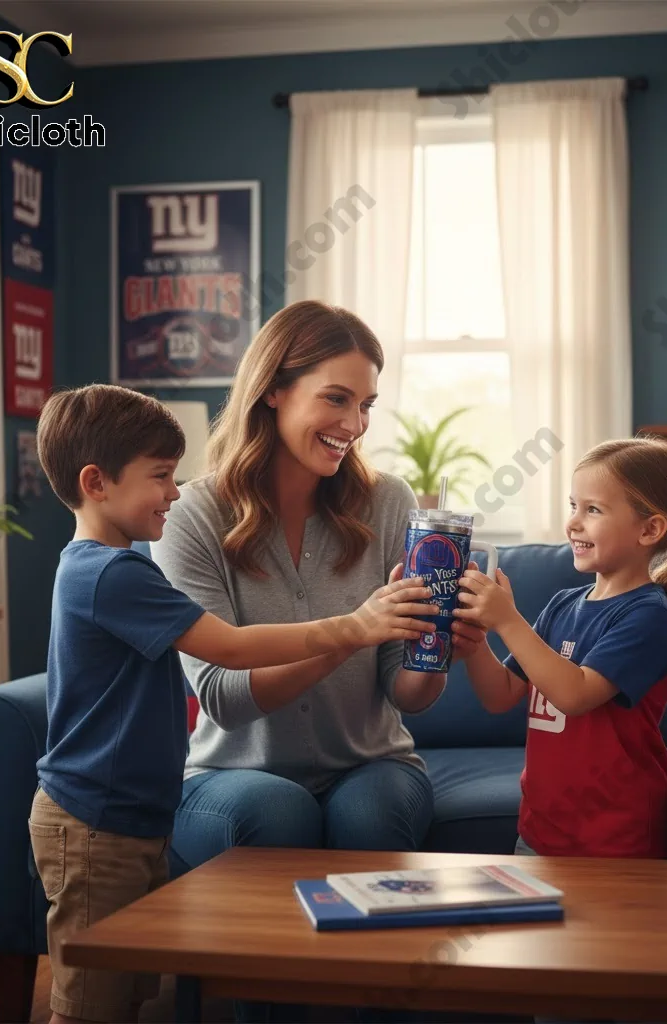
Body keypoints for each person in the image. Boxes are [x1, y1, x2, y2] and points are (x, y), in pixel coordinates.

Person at [29, 383, 438, 1024]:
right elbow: (234, 648)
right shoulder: (113, 574)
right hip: (94, 823)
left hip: (128, 816)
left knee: (124, 998)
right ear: (96, 482)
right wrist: (355, 626)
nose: (175, 491)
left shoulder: (111, 568)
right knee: (88, 1007)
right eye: (161, 476)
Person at [151, 300, 486, 872]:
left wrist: (436, 651)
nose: (355, 427)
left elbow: (406, 697)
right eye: (336, 399)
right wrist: (354, 631)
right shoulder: (191, 515)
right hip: (231, 772)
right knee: (276, 810)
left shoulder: (389, 503)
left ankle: (365, 965)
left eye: (366, 406)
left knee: (371, 815)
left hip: (374, 764)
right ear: (273, 389)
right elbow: (226, 700)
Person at [454, 437, 667, 860]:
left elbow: (575, 695)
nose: (573, 523)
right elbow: (501, 696)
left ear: (650, 529)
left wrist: (508, 620)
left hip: (615, 838)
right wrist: (477, 642)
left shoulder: (649, 616)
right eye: (574, 505)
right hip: (540, 830)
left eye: (593, 510)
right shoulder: (562, 605)